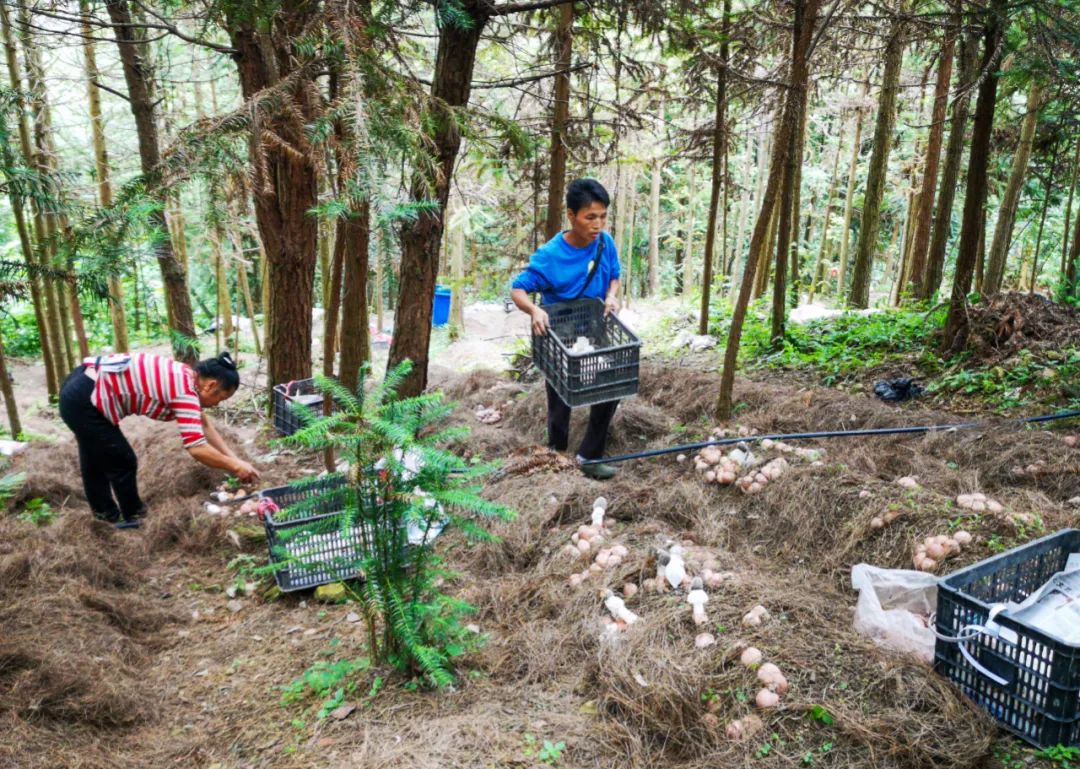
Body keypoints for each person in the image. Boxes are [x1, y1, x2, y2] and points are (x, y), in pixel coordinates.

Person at [58, 351, 260, 528]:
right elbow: (197, 448)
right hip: (84, 398)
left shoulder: (185, 375)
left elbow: (204, 424)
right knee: (122, 460)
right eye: (221, 398)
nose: (216, 404)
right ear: (210, 385)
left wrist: (235, 459)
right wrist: (234, 467)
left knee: (96, 456)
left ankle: (105, 517)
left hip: (81, 383)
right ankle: (134, 517)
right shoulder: (185, 391)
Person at [510, 178, 622, 480]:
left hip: (593, 329)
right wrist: (534, 310)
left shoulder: (605, 243)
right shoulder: (550, 255)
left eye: (602, 216)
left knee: (610, 386)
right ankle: (556, 454)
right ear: (571, 216)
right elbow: (518, 289)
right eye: (590, 217)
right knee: (560, 397)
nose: (598, 224)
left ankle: (590, 454)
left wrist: (611, 296)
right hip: (558, 334)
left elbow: (614, 275)